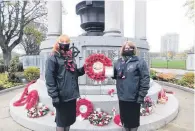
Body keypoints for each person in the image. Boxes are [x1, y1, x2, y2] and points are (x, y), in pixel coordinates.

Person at [45, 35, 85, 131]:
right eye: (62, 43)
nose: (64, 45)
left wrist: (83, 70)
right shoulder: (52, 57)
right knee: (61, 121)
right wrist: (54, 96)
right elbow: (50, 78)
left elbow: (73, 73)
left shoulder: (70, 56)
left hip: (71, 95)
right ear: (57, 44)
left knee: (69, 120)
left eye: (66, 43)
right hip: (61, 96)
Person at [112, 41, 150, 131]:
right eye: (125, 48)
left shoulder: (139, 62)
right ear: (122, 49)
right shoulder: (118, 62)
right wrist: (106, 70)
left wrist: (141, 95)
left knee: (133, 122)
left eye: (130, 48)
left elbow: (145, 79)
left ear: (134, 49)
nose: (127, 49)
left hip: (134, 97)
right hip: (122, 97)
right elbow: (114, 75)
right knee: (124, 120)